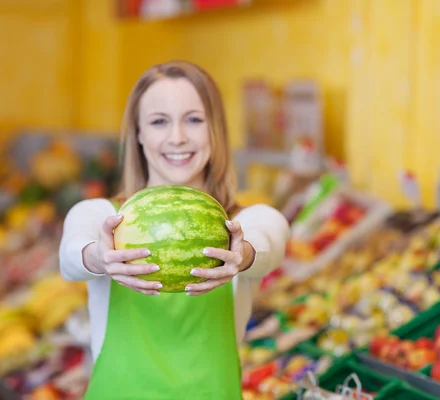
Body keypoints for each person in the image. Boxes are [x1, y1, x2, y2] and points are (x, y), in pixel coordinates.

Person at [59, 60, 290, 400]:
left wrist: (243, 254)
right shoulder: (104, 217)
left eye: (194, 120)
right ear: (138, 133)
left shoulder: (243, 223)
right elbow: (70, 255)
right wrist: (97, 255)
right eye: (158, 122)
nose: (177, 137)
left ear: (216, 130)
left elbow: (273, 239)